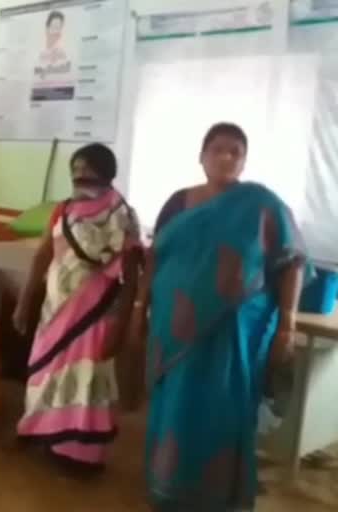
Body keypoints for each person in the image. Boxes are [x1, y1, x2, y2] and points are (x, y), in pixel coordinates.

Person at [126, 123, 306, 511]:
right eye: (218, 149)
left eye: (235, 151)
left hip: (234, 336)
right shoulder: (178, 202)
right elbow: (155, 257)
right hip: (173, 331)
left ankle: (219, 496)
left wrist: (287, 326)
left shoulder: (261, 204)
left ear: (244, 161)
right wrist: (139, 308)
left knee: (223, 409)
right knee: (176, 404)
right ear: (201, 156)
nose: (226, 157)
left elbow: (291, 262)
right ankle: (168, 486)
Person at [12, 143, 141, 472]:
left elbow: (130, 274)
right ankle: (44, 433)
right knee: (47, 374)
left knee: (85, 381)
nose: (81, 176)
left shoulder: (122, 216)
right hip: (55, 311)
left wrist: (123, 323)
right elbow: (43, 254)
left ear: (108, 174)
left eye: (89, 170)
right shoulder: (63, 210)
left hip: (96, 315)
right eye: (76, 170)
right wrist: (25, 302)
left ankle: (80, 454)